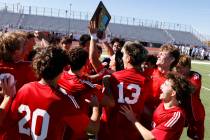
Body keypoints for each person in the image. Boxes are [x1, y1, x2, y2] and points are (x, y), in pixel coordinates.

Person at [4, 46, 99, 140]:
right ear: (62, 69)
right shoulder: (62, 101)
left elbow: (11, 118)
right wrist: (95, 107)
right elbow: (93, 129)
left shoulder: (25, 89)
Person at [120, 72, 193, 140]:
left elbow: (151, 137)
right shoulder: (164, 103)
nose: (161, 86)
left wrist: (133, 120)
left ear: (173, 93)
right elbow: (156, 117)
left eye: (165, 84)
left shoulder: (176, 115)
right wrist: (137, 106)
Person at [99, 41, 148, 140]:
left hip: (111, 129)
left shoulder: (115, 77)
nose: (121, 57)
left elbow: (106, 101)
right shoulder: (147, 80)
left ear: (128, 58)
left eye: (123, 55)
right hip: (132, 131)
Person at [143, 44, 180, 129]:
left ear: (172, 59)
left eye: (162, 54)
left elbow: (172, 107)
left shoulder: (175, 81)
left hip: (158, 125)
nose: (158, 55)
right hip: (138, 120)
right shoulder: (147, 72)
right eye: (159, 53)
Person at [176, 54, 205, 140]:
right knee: (173, 133)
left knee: (196, 137)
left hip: (195, 113)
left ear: (188, 67)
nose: (179, 70)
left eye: (181, 67)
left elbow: (191, 89)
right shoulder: (177, 75)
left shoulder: (195, 76)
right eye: (177, 68)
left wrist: (177, 79)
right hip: (181, 111)